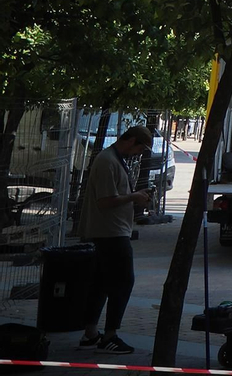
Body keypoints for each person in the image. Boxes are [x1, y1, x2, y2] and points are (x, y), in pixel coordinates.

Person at [77, 125, 152, 355]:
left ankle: (91, 333)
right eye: (140, 148)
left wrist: (134, 196)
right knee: (123, 281)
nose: (139, 153)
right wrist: (134, 197)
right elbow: (105, 201)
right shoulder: (107, 161)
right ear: (131, 141)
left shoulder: (114, 159)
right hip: (111, 232)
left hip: (112, 230)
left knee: (101, 283)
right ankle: (109, 336)